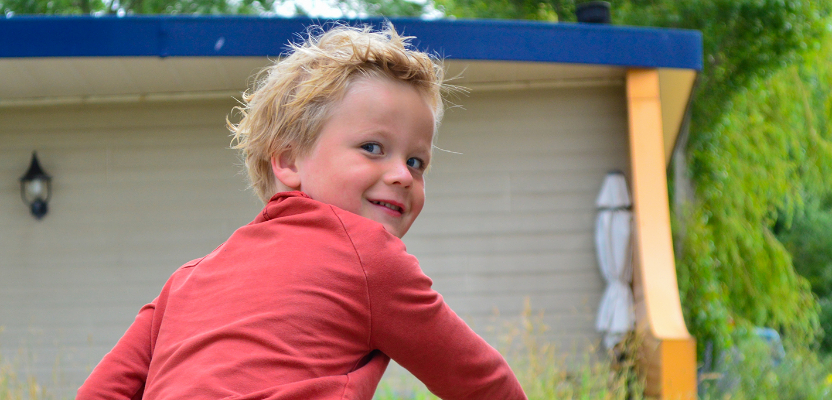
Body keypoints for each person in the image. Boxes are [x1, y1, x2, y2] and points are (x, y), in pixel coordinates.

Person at [77, 24, 526, 400]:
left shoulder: (187, 279)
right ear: (289, 162)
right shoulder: (370, 257)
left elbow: (99, 392)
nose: (403, 175)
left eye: (416, 162)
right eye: (373, 148)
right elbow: (483, 383)